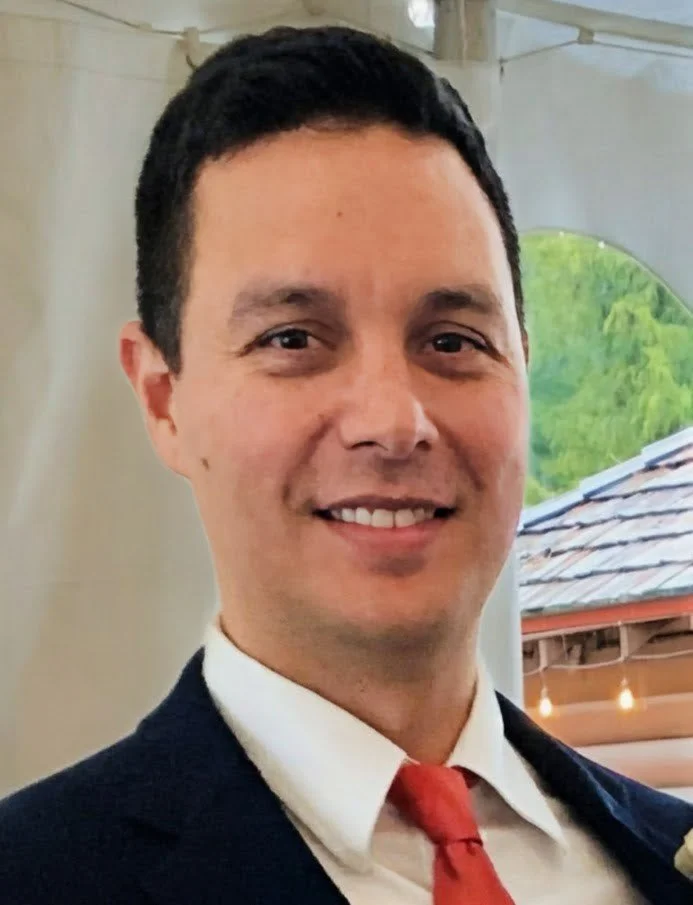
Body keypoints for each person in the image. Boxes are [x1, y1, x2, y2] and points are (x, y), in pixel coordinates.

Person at [0, 25, 691, 905]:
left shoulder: (664, 855)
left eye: (451, 340)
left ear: (523, 365)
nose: (393, 422)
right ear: (163, 399)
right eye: (292, 339)